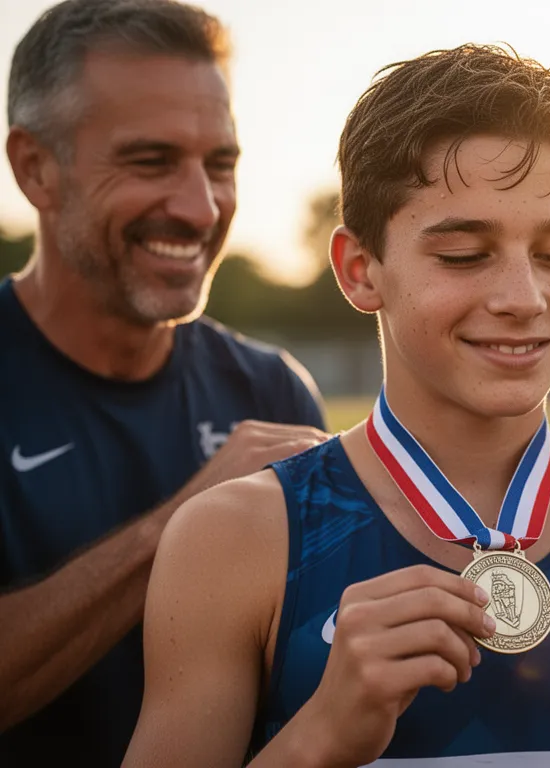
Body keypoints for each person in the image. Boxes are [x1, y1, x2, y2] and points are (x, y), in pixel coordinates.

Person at [121, 44, 550, 767]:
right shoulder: (234, 541)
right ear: (360, 270)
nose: (521, 298)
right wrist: (318, 737)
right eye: (464, 254)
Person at [0, 1, 330, 765]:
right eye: (151, 162)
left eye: (221, 164)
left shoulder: (273, 391)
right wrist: (186, 523)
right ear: (35, 169)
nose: (200, 207)